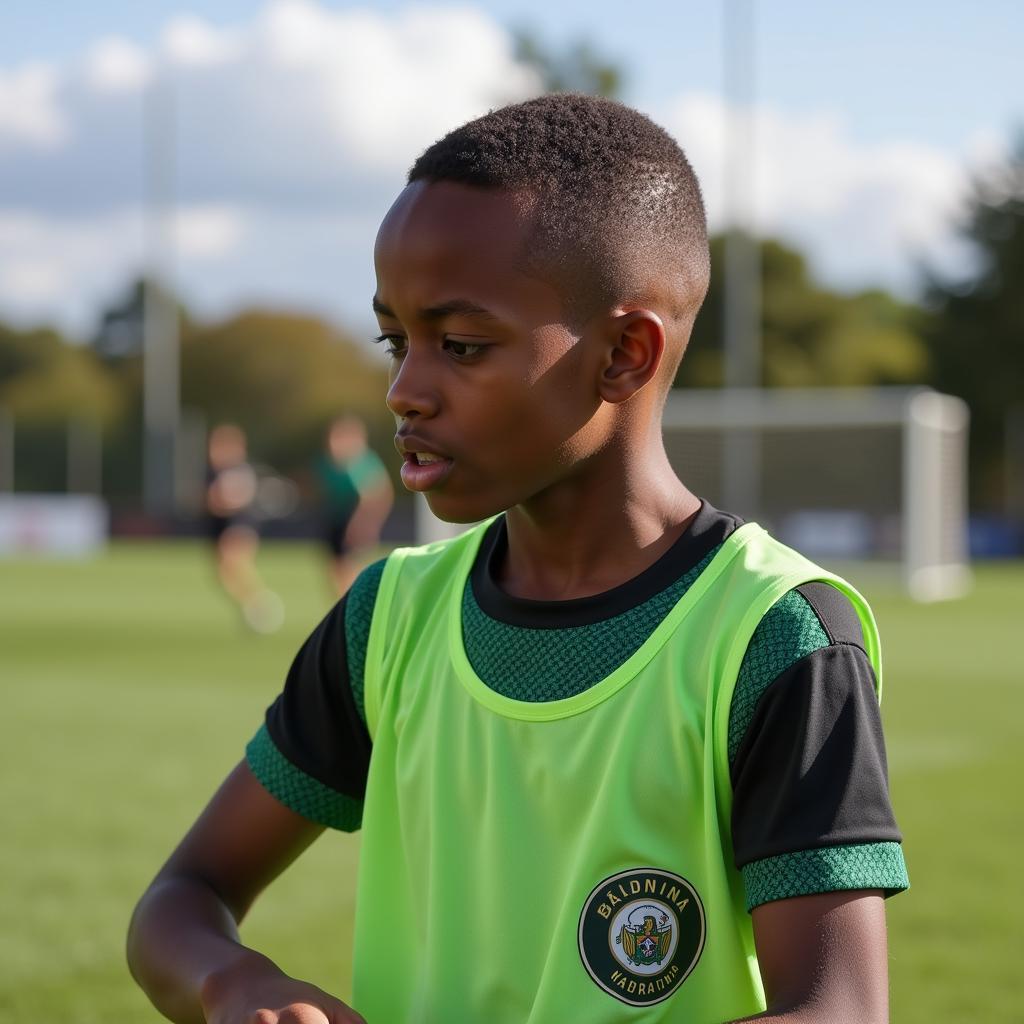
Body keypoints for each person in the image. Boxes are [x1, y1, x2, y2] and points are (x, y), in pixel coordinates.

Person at [128, 94, 908, 1023]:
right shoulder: (389, 618)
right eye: (395, 339)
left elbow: (839, 1008)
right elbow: (180, 901)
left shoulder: (772, 636)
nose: (404, 389)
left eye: (459, 345)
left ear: (625, 353)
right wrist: (236, 986)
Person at [204, 423, 283, 634]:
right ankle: (255, 604)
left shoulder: (238, 470)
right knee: (223, 574)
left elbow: (237, 498)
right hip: (220, 526)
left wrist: (221, 501)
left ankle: (262, 603)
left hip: (239, 524)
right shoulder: (212, 472)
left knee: (235, 562)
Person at [313, 415, 393, 596]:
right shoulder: (328, 463)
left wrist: (363, 525)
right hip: (336, 520)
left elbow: (377, 496)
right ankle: (343, 611)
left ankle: (352, 610)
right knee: (335, 571)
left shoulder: (362, 463)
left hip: (354, 522)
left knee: (349, 570)